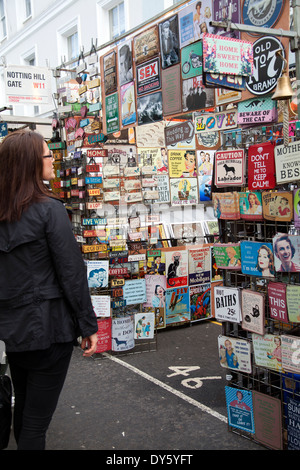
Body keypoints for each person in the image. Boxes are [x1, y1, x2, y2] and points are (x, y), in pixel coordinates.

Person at [0, 130, 98, 450]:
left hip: (13, 331)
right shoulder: (49, 210)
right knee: (36, 424)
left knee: (25, 409)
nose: (53, 159)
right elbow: (71, 273)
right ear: (31, 162)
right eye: (47, 155)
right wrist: (88, 325)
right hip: (49, 328)